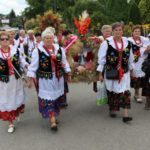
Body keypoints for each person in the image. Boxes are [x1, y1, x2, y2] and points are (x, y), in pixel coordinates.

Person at [27, 28, 71, 131]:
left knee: (56, 99)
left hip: (58, 79)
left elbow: (64, 63)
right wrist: (30, 80)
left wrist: (68, 73)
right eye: (46, 38)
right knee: (48, 100)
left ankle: (54, 115)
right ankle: (52, 121)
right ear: (43, 39)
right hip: (45, 80)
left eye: (50, 38)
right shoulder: (38, 51)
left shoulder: (59, 49)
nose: (48, 40)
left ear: (53, 38)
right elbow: (33, 67)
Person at [97, 22, 134, 123]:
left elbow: (130, 58)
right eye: (116, 30)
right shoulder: (106, 43)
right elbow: (102, 60)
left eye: (120, 30)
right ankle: (112, 108)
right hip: (111, 71)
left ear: (123, 31)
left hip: (124, 72)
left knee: (125, 91)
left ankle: (126, 115)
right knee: (112, 91)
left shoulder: (128, 43)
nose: (118, 32)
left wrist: (132, 70)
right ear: (113, 32)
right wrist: (100, 74)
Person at [0, 31, 28, 133]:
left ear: (9, 40)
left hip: (16, 80)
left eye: (6, 39)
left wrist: (26, 66)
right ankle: (10, 123)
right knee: (6, 100)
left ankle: (15, 113)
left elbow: (22, 61)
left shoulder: (15, 50)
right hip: (3, 82)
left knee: (16, 98)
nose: (4, 41)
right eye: (2, 39)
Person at [128, 25, 150, 103]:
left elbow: (147, 49)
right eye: (135, 31)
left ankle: (139, 93)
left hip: (143, 61)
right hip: (134, 61)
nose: (137, 33)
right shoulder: (129, 40)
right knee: (136, 79)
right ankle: (137, 94)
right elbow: (132, 51)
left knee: (143, 78)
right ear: (132, 33)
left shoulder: (144, 39)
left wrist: (146, 50)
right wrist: (143, 50)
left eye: (138, 31)